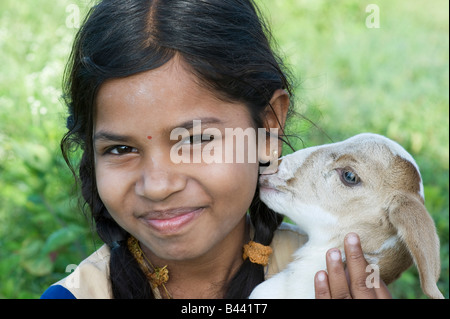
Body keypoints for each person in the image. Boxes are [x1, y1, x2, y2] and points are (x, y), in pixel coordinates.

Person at [41, 0, 391, 299]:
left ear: (267, 128)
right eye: (120, 149)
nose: (158, 186)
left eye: (194, 140)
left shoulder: (336, 279)